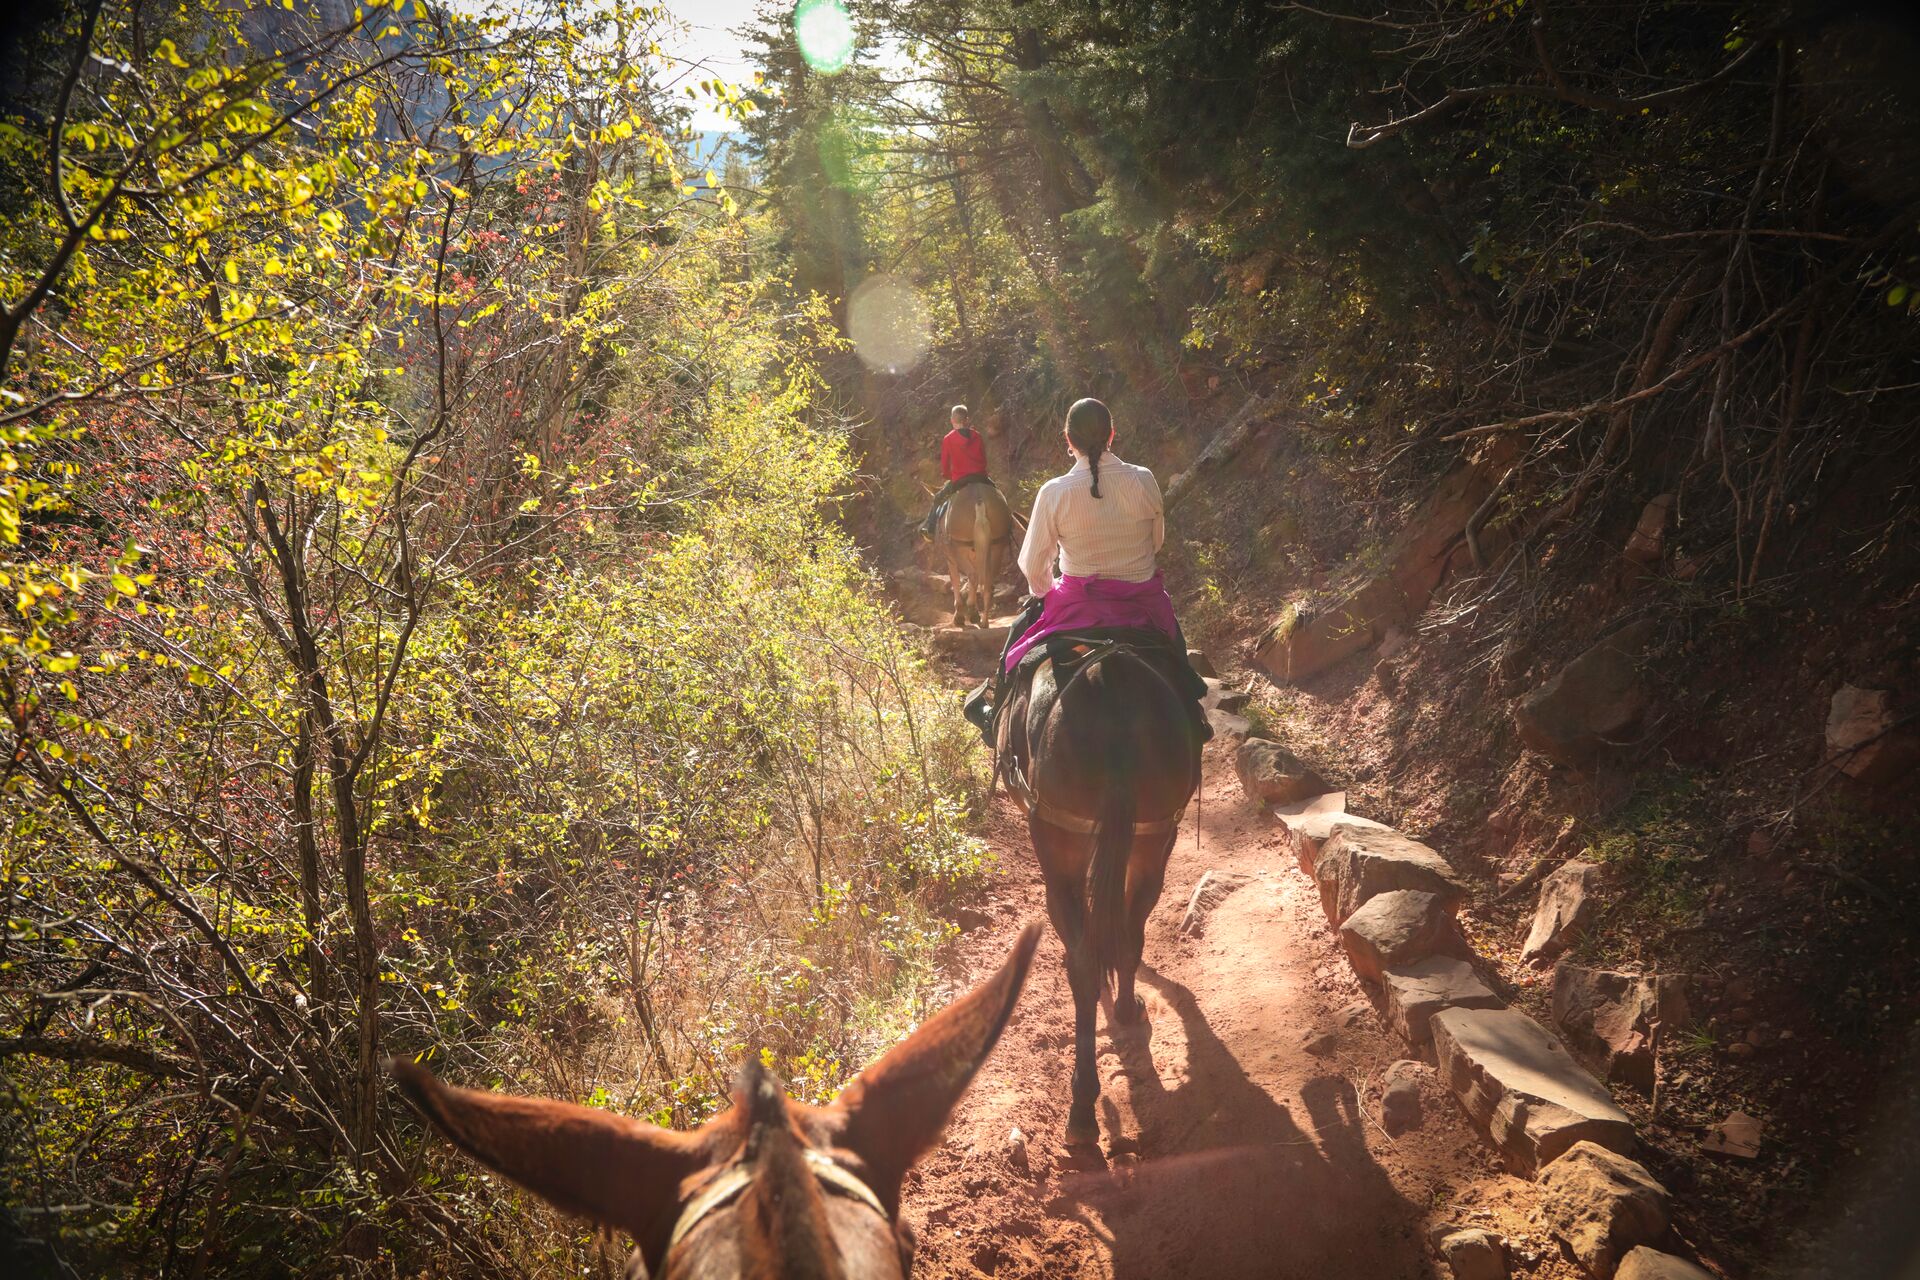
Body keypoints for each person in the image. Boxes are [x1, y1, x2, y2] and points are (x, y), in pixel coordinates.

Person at [964, 397, 1207, 743]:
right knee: (1176, 652)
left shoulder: (1054, 492)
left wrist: (1044, 592)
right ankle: (1194, 714)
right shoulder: (1143, 480)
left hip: (1077, 603)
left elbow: (1034, 567)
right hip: (1142, 601)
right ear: (1112, 434)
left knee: (1014, 650)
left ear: (1067, 439)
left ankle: (994, 720)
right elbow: (1155, 543)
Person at [919, 404, 991, 539]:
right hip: (981, 477)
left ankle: (930, 529)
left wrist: (950, 477)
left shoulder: (948, 439)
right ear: (967, 419)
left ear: (952, 420)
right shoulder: (978, 436)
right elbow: (984, 459)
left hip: (960, 480)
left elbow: (945, 466)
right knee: (998, 495)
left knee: (938, 498)